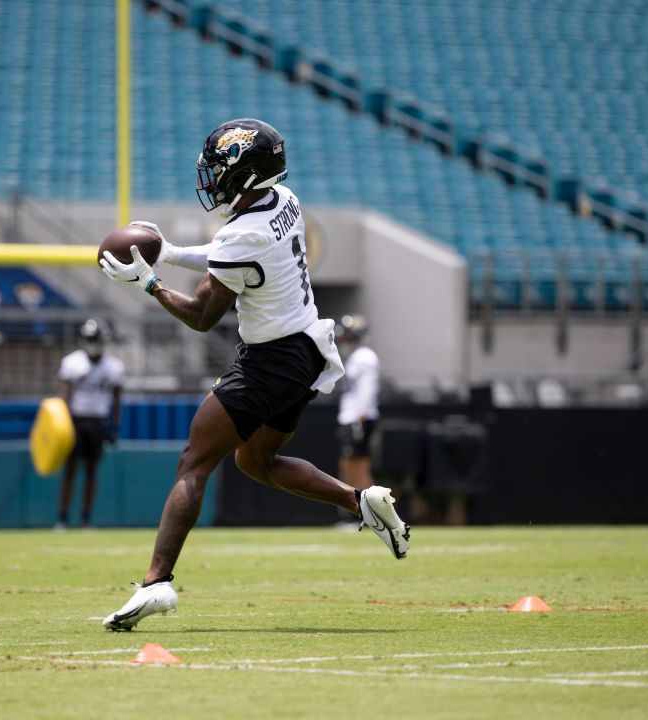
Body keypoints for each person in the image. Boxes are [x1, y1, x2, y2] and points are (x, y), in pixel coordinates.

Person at [97, 118, 410, 631]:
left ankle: (155, 584)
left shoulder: (240, 235)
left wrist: (151, 284)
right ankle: (361, 502)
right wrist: (172, 253)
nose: (212, 176)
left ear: (244, 172)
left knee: (194, 461)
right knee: (256, 460)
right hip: (306, 349)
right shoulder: (284, 199)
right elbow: (227, 255)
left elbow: (202, 317)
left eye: (220, 168)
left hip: (270, 359)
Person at [55, 319, 124, 530]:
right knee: (71, 469)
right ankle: (63, 518)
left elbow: (116, 400)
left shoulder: (114, 367)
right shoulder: (72, 362)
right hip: (76, 420)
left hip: (97, 421)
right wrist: (62, 425)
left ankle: (85, 518)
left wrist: (114, 427)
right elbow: (65, 396)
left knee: (91, 471)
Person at [335, 314, 380, 521]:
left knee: (358, 468)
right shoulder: (355, 357)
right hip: (351, 417)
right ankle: (360, 512)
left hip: (358, 418)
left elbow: (368, 390)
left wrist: (360, 416)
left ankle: (374, 516)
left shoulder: (365, 357)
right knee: (348, 465)